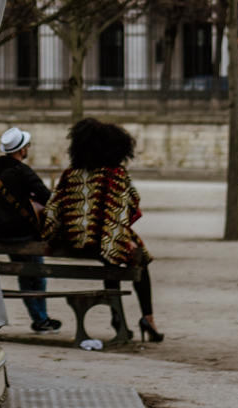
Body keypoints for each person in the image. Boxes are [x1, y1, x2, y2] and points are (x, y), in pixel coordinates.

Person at [43, 117, 163, 343]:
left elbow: (52, 210)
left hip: (73, 242)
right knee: (139, 258)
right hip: (103, 241)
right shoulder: (114, 174)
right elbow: (128, 207)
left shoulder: (70, 175)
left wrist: (62, 233)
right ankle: (147, 319)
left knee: (111, 257)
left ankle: (117, 318)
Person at [0, 125, 60, 333]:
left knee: (24, 274)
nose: (28, 148)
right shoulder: (22, 172)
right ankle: (40, 319)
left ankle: (41, 318)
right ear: (22, 150)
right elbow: (47, 198)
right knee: (36, 276)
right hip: (23, 235)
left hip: (0, 234)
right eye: (27, 146)